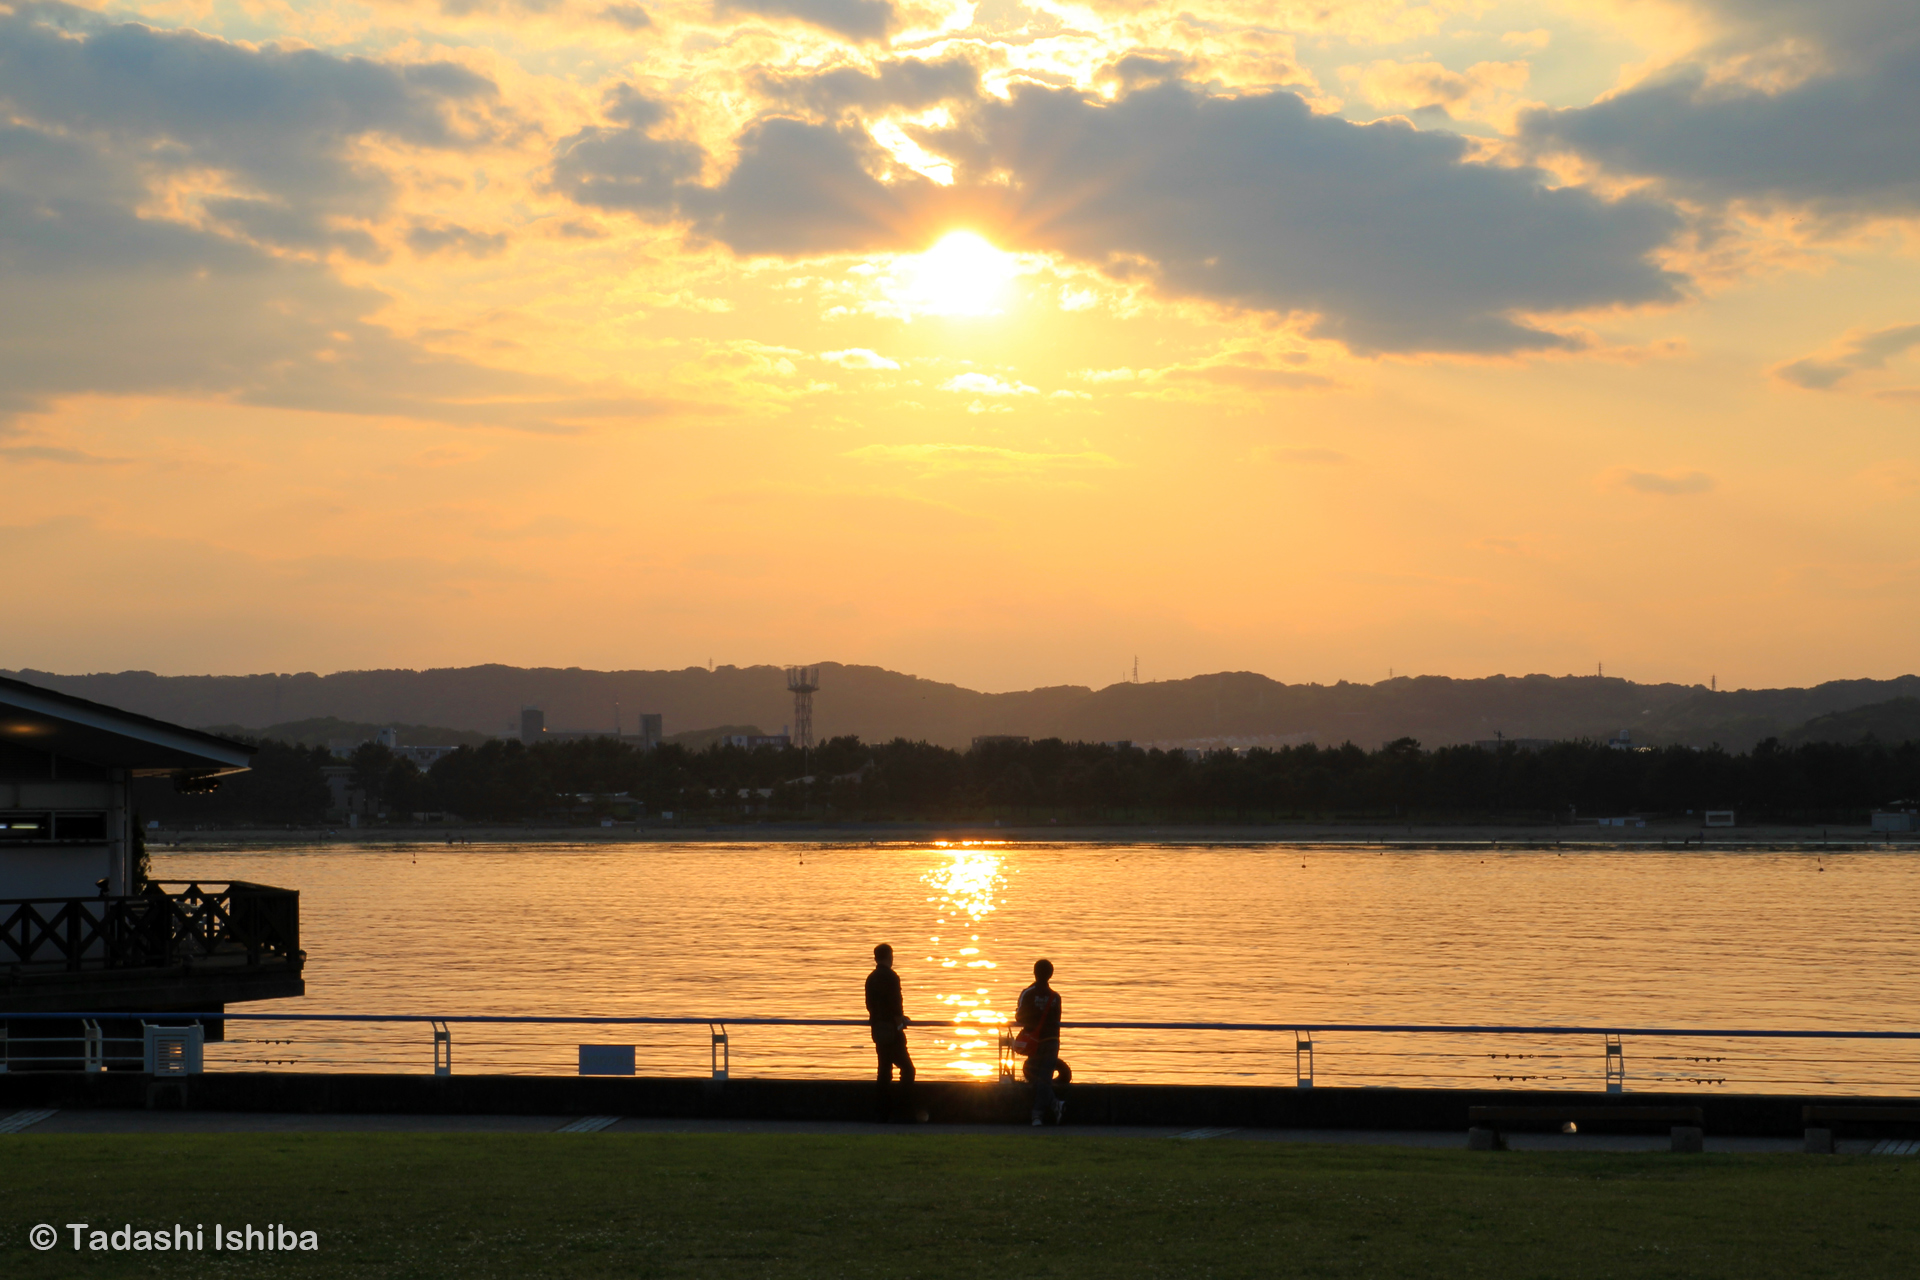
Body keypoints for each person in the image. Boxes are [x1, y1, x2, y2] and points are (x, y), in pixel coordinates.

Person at [865, 943, 914, 1120]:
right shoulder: (892, 977)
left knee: (884, 1071)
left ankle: (881, 1112)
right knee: (908, 1070)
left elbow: (869, 1004)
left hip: (878, 1031)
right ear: (889, 957)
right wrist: (900, 1018)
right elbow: (896, 1003)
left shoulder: (871, 978)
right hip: (893, 1031)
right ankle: (904, 1110)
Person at [1015, 958, 1064, 1126]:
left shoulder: (1028, 993)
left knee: (1036, 1076)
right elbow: (1057, 1018)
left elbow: (1019, 1017)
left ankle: (1037, 1116)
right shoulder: (1055, 997)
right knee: (1044, 1077)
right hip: (1052, 1041)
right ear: (1051, 975)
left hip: (1034, 1042)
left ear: (1034, 973)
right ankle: (1050, 1107)